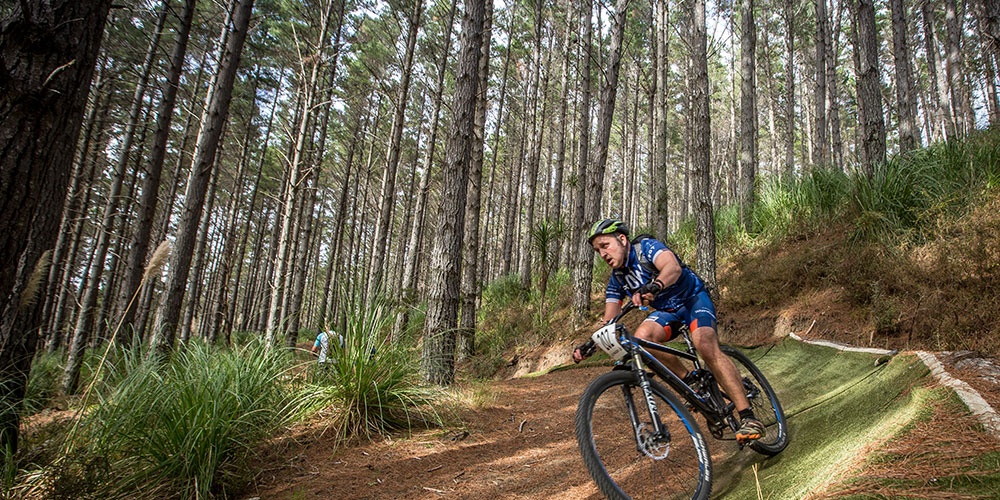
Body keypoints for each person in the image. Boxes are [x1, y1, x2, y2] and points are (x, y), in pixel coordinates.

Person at [572, 218, 766, 443]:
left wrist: (656, 285)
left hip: (693, 300)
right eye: (598, 251)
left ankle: (748, 416)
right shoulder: (617, 280)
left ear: (622, 239)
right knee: (641, 339)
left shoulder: (645, 248)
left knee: (704, 343)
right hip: (668, 312)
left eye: (605, 246)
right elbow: (610, 321)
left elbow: (672, 267)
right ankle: (690, 380)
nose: (603, 254)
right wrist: (591, 344)